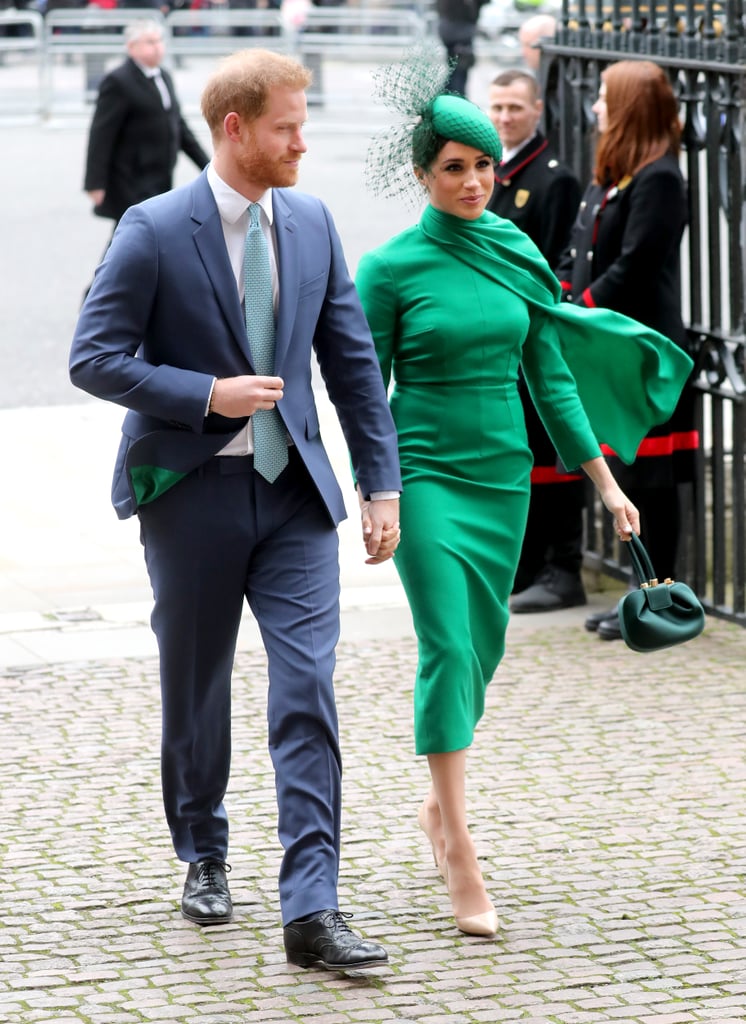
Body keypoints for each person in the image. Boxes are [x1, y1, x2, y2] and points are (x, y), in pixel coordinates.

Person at [70, 48, 402, 972]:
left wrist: (381, 485)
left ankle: (312, 906)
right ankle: (204, 851)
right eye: (289, 125)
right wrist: (205, 393)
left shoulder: (312, 220)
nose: (303, 141)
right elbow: (93, 357)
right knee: (198, 686)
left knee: (308, 688)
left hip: (294, 495)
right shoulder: (152, 228)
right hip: (189, 495)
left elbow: (352, 366)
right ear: (235, 129)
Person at [356, 56, 693, 938]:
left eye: (482, 166)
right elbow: (365, 393)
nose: (474, 181)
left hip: (504, 477)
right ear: (422, 175)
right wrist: (378, 494)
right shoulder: (389, 269)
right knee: (445, 646)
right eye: (453, 168)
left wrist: (608, 485)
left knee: (483, 650)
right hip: (426, 479)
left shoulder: (514, 250)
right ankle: (460, 847)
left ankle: (438, 804)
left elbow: (549, 378)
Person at [555, 60, 697, 642]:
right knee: (627, 478)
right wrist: (561, 295)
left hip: (645, 353)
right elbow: (578, 250)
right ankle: (639, 595)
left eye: (605, 99)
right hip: (611, 352)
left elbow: (636, 266)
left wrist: (581, 304)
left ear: (631, 106)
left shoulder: (661, 178)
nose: (595, 109)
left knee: (654, 481)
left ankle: (657, 599)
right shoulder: (614, 174)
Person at [487, 68, 586, 610]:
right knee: (520, 452)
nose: (505, 117)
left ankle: (562, 566)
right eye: (497, 107)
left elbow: (553, 266)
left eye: (515, 108)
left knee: (551, 452)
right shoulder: (493, 170)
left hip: (533, 334)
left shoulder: (553, 178)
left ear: (536, 110)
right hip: (500, 339)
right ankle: (524, 567)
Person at [83, 19, 209, 226]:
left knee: (151, 237)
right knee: (130, 236)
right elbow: (101, 134)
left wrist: (207, 166)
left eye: (159, 41)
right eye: (150, 42)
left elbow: (179, 126)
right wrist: (95, 182)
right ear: (132, 47)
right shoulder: (118, 81)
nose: (158, 47)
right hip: (131, 178)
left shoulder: (164, 76)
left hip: (160, 174)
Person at [436, 0, 489, 96]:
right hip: (459, 32)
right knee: (459, 70)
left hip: (453, 30)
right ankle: (456, 97)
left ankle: (452, 95)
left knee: (455, 68)